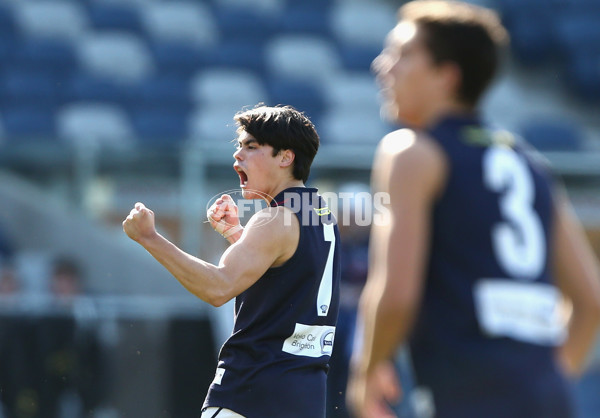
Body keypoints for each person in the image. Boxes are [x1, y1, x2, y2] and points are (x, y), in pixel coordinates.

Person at [347, 1, 600, 417]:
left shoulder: (411, 152)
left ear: (447, 77)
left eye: (403, 54)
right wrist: (546, 378)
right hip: (547, 397)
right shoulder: (531, 162)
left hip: (466, 396)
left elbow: (397, 294)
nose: (383, 66)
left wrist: (367, 372)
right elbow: (589, 301)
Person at [123, 105, 341, 418]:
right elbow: (288, 275)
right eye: (239, 146)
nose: (238, 155)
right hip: (303, 398)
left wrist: (150, 239)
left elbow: (218, 287)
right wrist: (240, 237)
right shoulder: (320, 213)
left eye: (251, 146)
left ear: (286, 157)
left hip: (250, 394)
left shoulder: (274, 219)